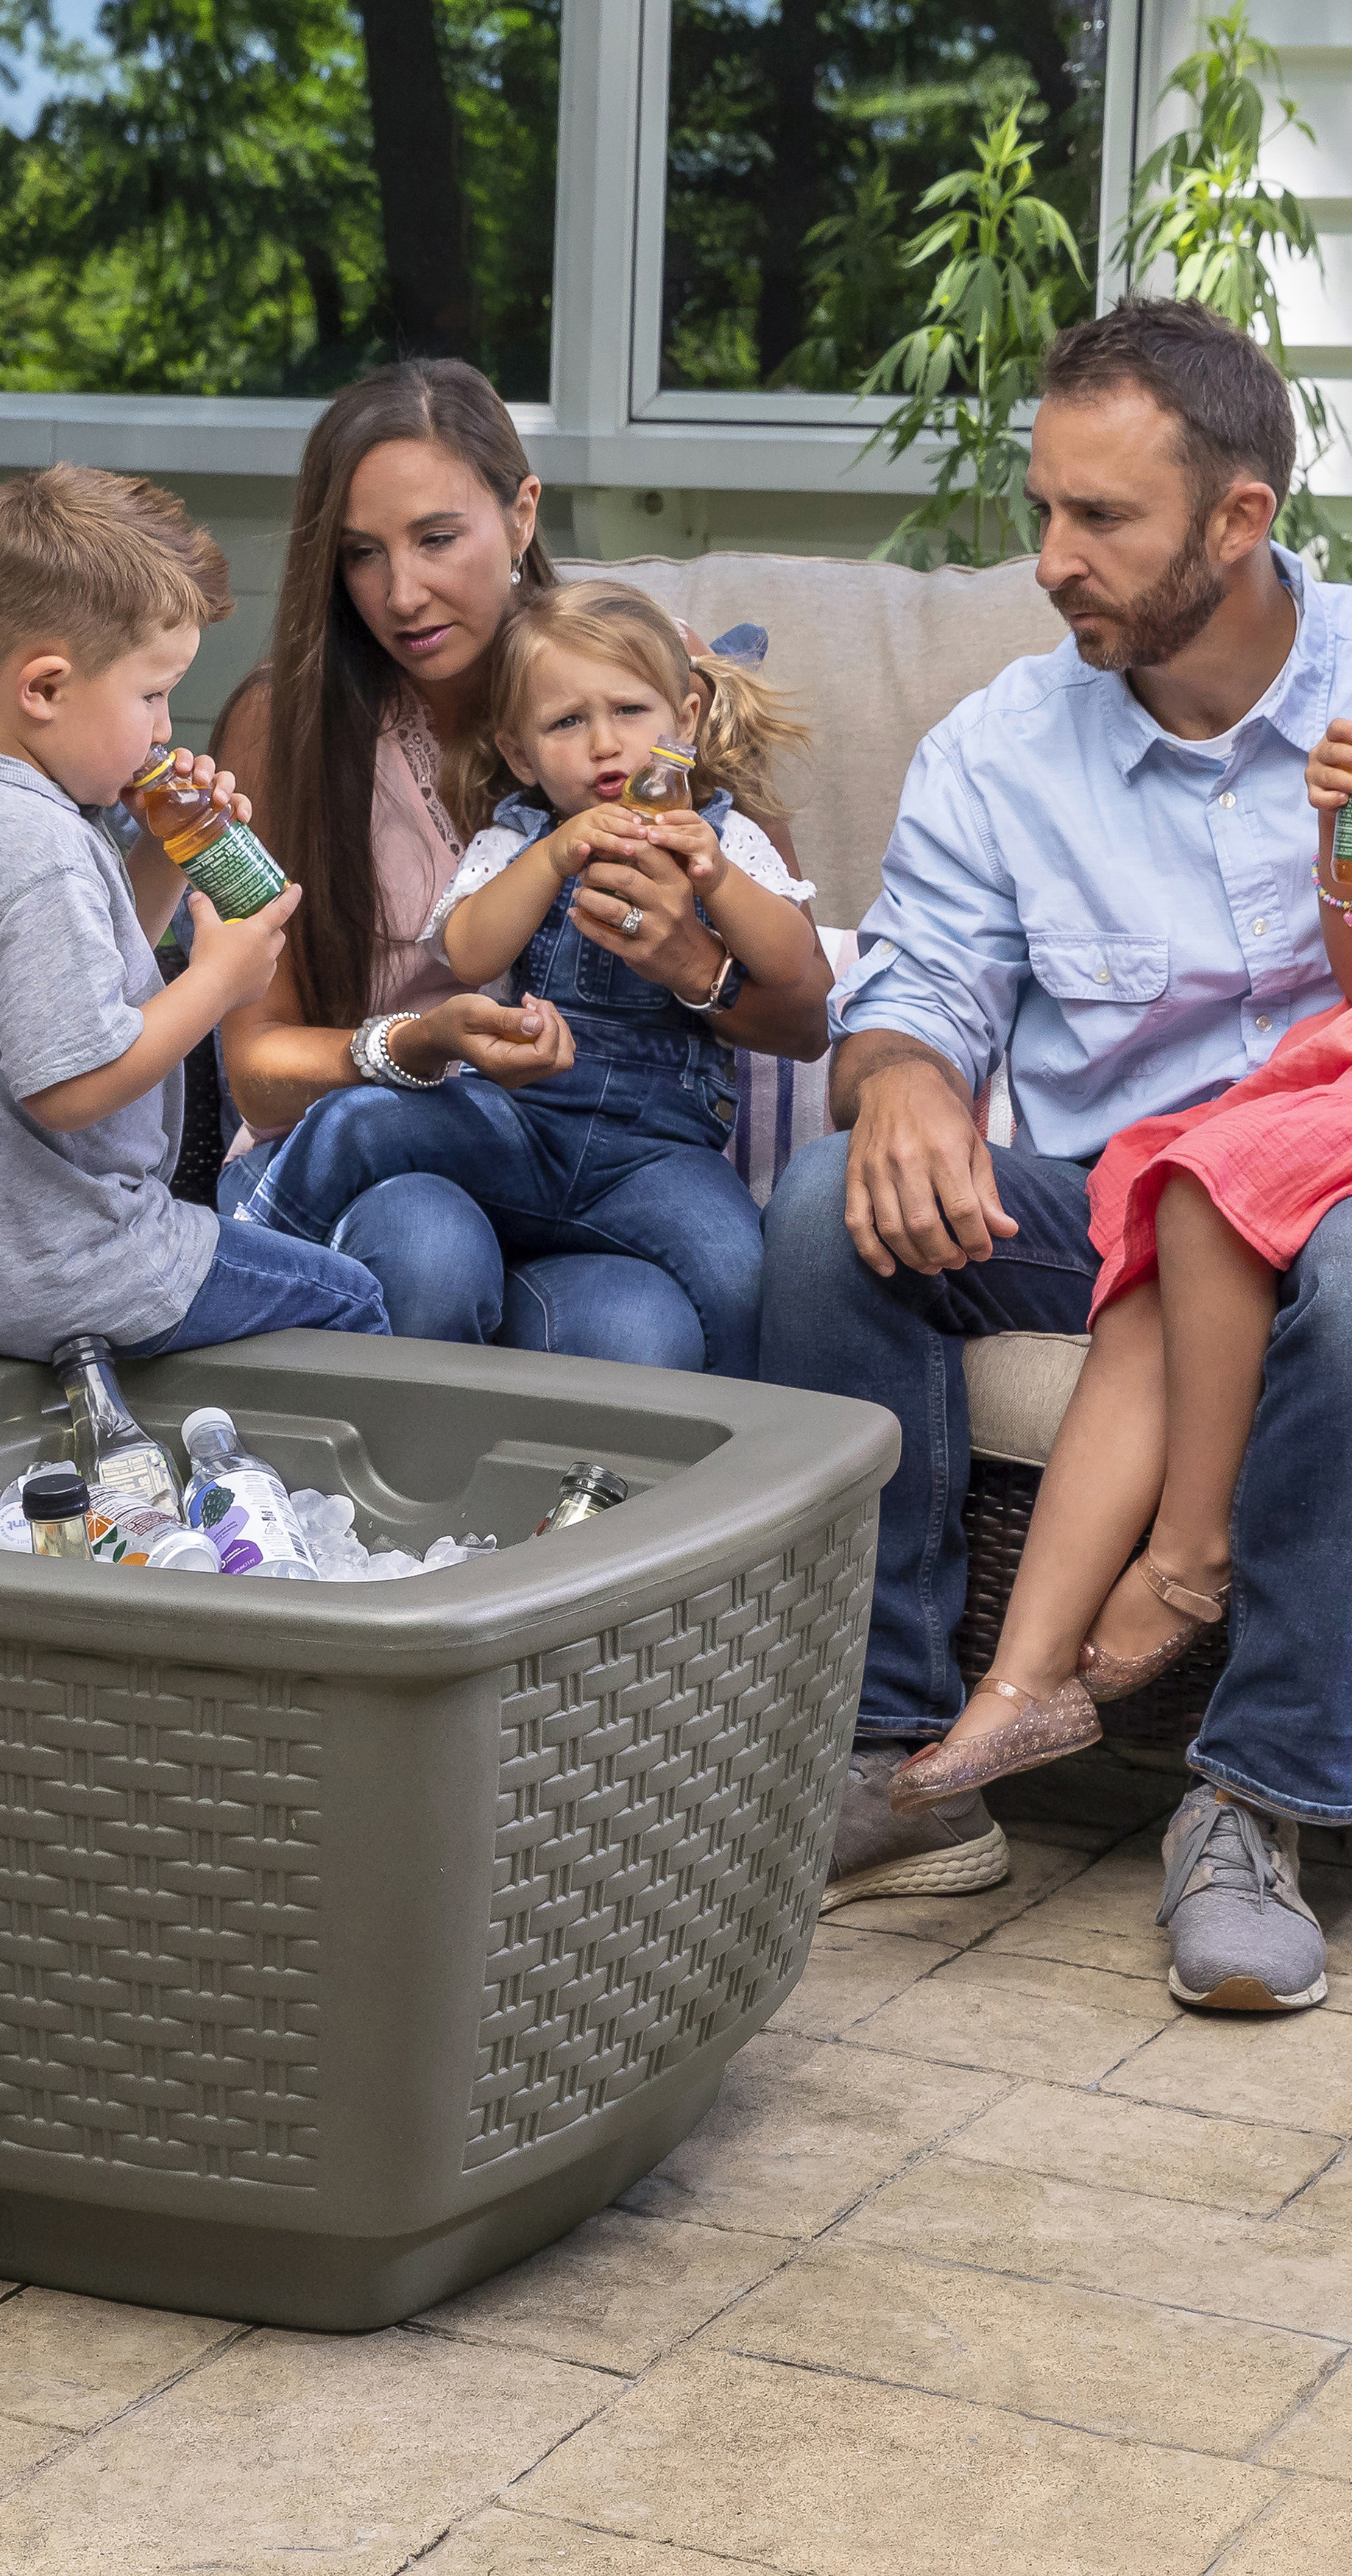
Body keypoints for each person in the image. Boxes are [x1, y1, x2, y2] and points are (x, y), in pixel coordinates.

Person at [759, 298, 1352, 2011]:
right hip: (1103, 1205)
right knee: (822, 1210)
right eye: (1042, 510)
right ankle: (893, 1760)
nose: (1052, 560)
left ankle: (1249, 1805)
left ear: (1240, 520)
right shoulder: (1009, 747)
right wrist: (915, 1084)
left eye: (1103, 520)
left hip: (1319, 1202)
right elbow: (915, 991)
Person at [214, 360, 791, 1358]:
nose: (403, 593)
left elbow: (793, 1003)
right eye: (362, 555)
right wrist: (419, 1043)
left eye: (439, 538)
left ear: (522, 515)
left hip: (604, 1168)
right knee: (430, 1250)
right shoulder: (281, 730)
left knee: (641, 1335)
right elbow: (259, 1071)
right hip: (372, 1164)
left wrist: (686, 962)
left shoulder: (646, 679)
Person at [0, 464, 389, 1363]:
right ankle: (250, 1503)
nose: (163, 726)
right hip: (72, 1262)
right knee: (351, 1301)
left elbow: (67, 996)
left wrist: (163, 851)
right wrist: (218, 982)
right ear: (44, 687)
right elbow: (69, 1087)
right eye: (151, 693)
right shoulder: (41, 846)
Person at [238, 580, 829, 1376]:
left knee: (738, 1270)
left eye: (628, 711)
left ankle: (732, 1474)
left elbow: (794, 969)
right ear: (519, 753)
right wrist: (551, 854)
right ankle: (244, 1256)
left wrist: (714, 877)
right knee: (362, 1120)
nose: (603, 745)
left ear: (683, 722)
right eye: (565, 724)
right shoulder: (516, 836)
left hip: (655, 1153)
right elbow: (469, 953)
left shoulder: (726, 838)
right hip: (520, 1117)